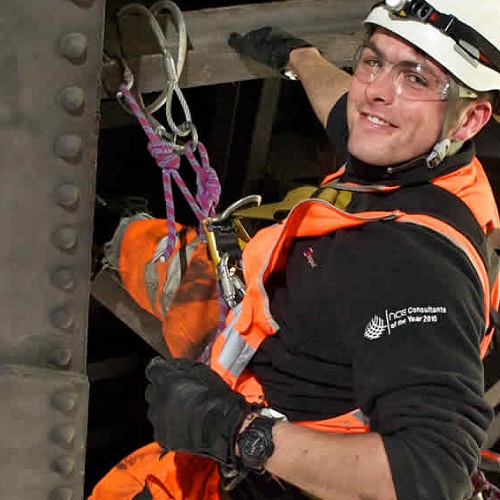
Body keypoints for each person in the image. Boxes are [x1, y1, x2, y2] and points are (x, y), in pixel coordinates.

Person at [89, 1, 500, 499]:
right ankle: (112, 239)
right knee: (143, 247)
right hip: (274, 338)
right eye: (373, 61)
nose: (375, 92)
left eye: (416, 78)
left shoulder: (414, 263)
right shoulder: (419, 159)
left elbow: (432, 474)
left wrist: (236, 431)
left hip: (264, 476)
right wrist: (298, 56)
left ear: (471, 119)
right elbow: (344, 114)